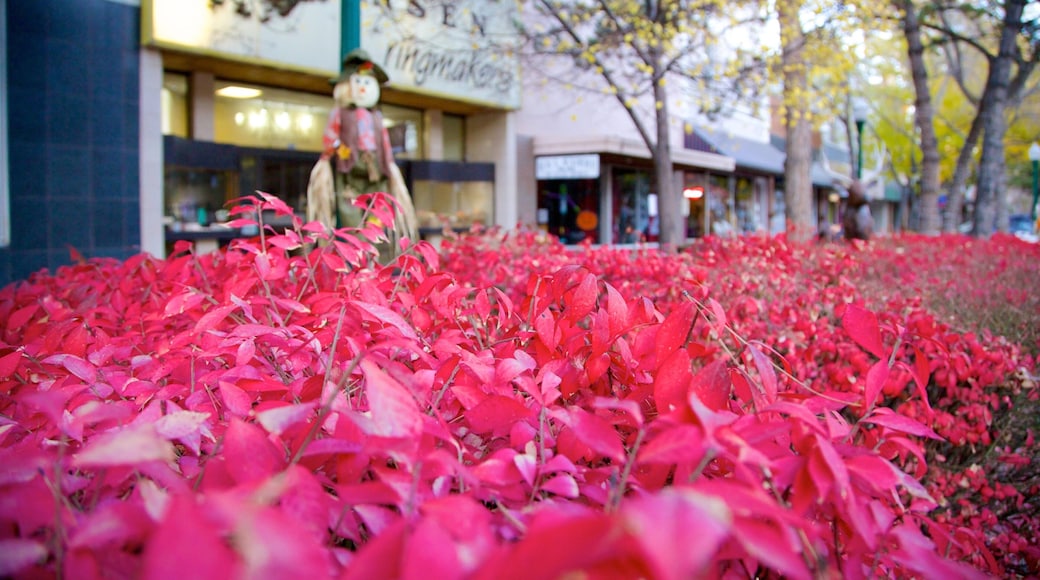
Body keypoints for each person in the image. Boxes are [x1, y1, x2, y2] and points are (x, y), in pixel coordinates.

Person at [307, 48, 417, 248]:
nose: (363, 88)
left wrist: (389, 164)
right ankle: (357, 245)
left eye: (367, 83)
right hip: (350, 166)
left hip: (376, 167)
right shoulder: (340, 113)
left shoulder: (376, 116)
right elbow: (331, 137)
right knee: (349, 204)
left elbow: (384, 140)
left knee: (379, 204)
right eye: (358, 82)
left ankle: (372, 240)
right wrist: (335, 155)